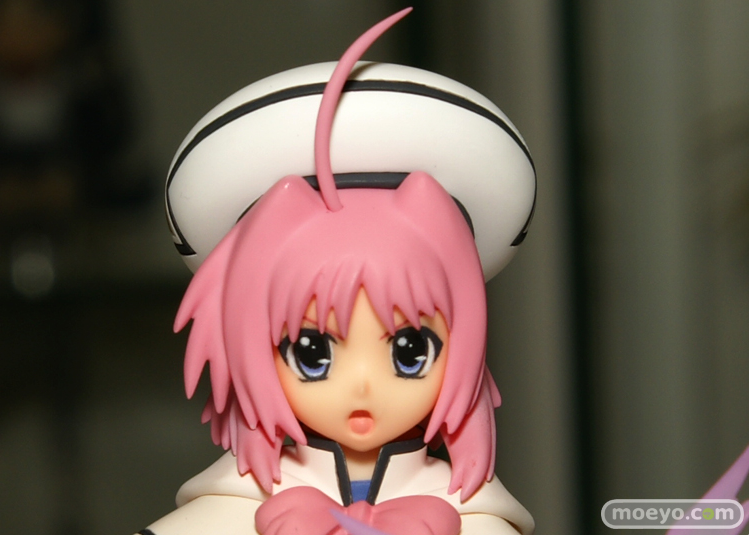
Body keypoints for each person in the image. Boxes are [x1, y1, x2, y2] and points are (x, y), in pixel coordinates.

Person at [139, 9, 536, 535]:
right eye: (312, 353)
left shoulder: (468, 507)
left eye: (410, 351)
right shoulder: (244, 494)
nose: (363, 386)